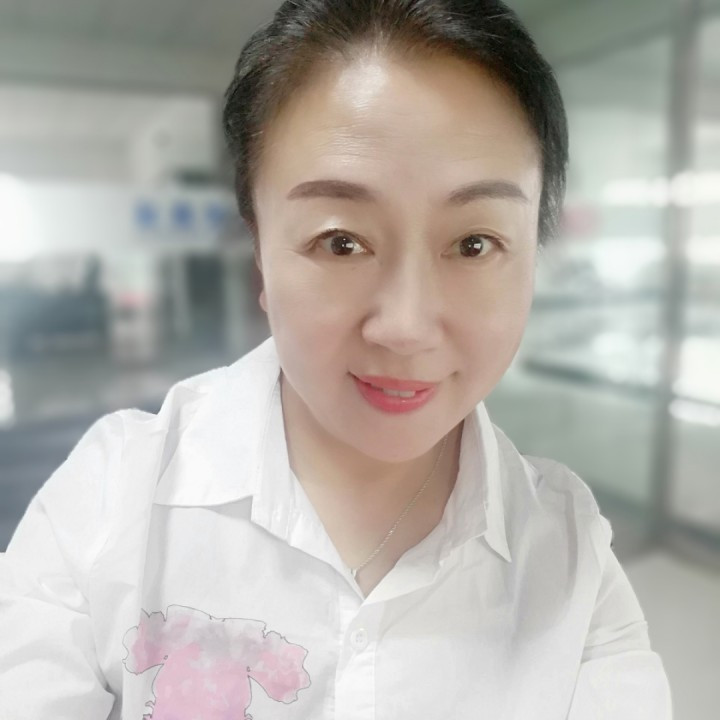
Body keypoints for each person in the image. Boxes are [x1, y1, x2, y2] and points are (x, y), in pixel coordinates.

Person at [0, 1, 673, 718]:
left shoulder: (570, 562)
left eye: (474, 243)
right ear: (259, 253)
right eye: (341, 242)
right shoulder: (108, 501)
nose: (406, 327)